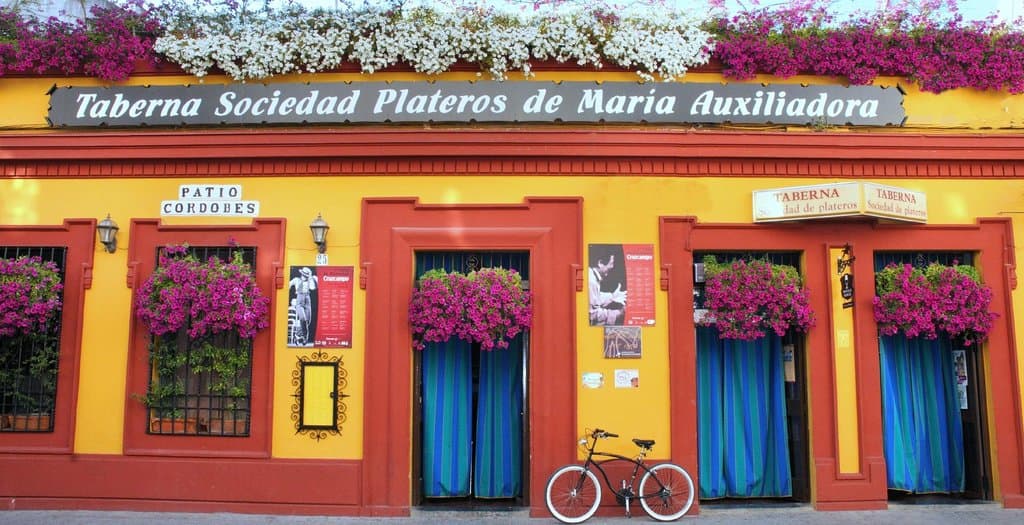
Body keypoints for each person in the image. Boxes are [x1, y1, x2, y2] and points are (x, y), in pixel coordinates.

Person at [589, 247, 627, 326]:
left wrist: (612, 296)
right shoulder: (591, 281)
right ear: (600, 263)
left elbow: (595, 299)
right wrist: (618, 313)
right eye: (611, 263)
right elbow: (591, 315)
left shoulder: (591, 275)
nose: (612, 267)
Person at [288, 267, 318, 345]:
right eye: (304, 275)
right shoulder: (296, 280)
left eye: (306, 275)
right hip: (299, 298)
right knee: (303, 319)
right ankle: (305, 338)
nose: (305, 276)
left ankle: (297, 335)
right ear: (302, 274)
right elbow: (287, 285)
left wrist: (311, 277)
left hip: (307, 298)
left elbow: (313, 288)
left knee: (308, 320)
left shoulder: (309, 281)